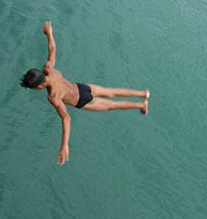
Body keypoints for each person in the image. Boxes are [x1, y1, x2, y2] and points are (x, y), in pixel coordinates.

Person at [21, 21, 149, 165]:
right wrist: (49, 33)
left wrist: (64, 145)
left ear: (39, 87)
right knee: (111, 92)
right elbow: (52, 50)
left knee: (113, 105)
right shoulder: (48, 69)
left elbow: (66, 118)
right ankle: (143, 93)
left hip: (83, 100)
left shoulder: (53, 96)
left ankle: (141, 105)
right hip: (82, 87)